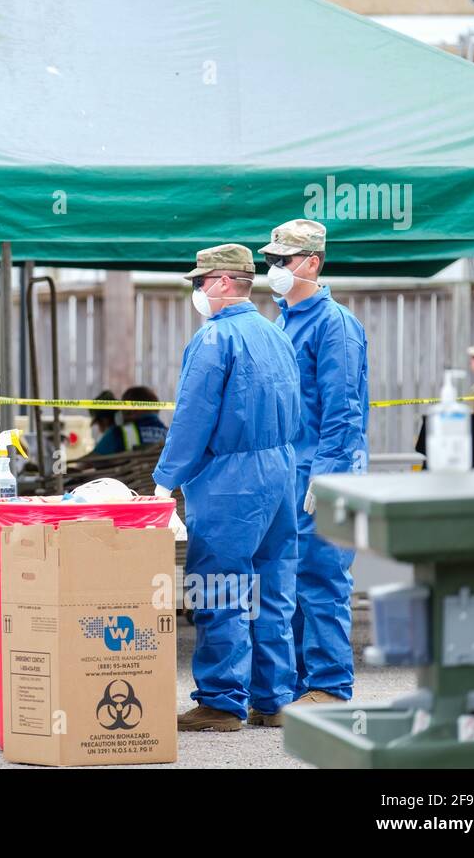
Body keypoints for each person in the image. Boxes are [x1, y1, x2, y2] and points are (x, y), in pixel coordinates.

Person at [153, 244, 300, 733]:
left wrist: (163, 483)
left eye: (199, 281)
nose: (196, 291)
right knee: (273, 587)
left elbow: (193, 420)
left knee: (221, 587)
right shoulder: (276, 335)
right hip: (280, 470)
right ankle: (275, 699)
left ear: (220, 282)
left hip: (229, 481)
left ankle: (220, 702)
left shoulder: (213, 340)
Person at [262, 219, 369, 712]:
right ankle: (308, 685)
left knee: (323, 577)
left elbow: (343, 409)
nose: (275, 269)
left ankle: (329, 687)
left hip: (327, 471)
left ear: (312, 262)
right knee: (298, 577)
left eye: (283, 260)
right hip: (294, 470)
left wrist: (326, 475)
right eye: (272, 260)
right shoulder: (287, 320)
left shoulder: (334, 324)